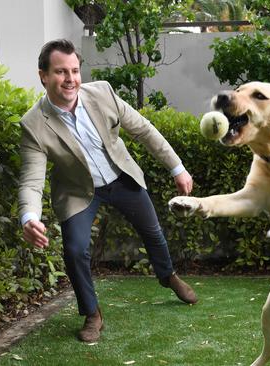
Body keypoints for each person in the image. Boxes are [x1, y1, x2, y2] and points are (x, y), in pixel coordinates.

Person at [18, 39, 197, 343]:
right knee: (74, 250)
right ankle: (92, 314)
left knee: (152, 232)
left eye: (75, 70)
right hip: (78, 191)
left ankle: (167, 276)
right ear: (43, 76)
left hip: (120, 176)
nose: (71, 79)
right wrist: (29, 217)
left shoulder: (102, 93)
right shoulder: (34, 124)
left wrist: (176, 167)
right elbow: (32, 179)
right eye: (61, 72)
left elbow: (143, 129)